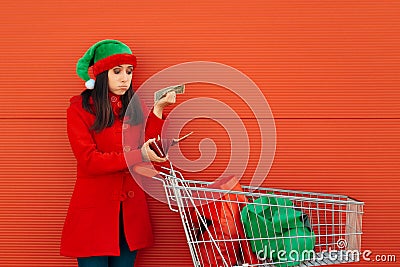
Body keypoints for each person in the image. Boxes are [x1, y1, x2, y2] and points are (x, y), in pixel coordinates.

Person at [60, 39, 176, 267]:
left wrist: (159, 110)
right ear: (102, 75)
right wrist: (138, 155)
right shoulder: (79, 110)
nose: (125, 78)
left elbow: (150, 149)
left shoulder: (135, 107)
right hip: (94, 215)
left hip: (129, 216)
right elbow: (89, 161)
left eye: (129, 71)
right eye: (117, 71)